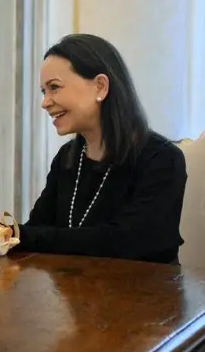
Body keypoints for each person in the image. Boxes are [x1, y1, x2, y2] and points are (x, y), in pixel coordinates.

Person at [18, 33, 187, 264]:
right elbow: (35, 231)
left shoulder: (162, 159)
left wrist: (18, 234)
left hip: (144, 296)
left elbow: (124, 242)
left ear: (100, 86)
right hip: (71, 295)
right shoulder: (67, 158)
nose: (45, 102)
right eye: (43, 91)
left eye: (54, 88)